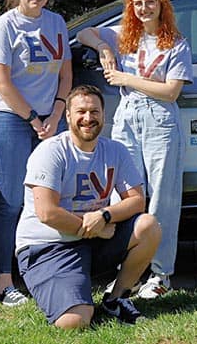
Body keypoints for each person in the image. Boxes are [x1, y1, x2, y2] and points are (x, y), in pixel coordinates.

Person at [77, 0, 192, 299]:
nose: (144, 9)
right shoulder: (122, 34)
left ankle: (160, 274)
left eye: (150, 2)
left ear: (161, 4)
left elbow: (171, 91)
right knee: (125, 195)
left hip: (160, 117)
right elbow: (85, 33)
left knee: (162, 198)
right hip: (127, 116)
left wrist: (127, 78)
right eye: (137, 3)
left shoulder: (176, 42)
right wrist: (102, 47)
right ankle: (125, 274)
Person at [15, 85, 162, 328]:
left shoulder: (115, 150)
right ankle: (64, 291)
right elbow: (47, 213)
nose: (88, 118)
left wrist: (105, 216)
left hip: (93, 238)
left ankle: (116, 299)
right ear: (68, 116)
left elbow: (137, 200)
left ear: (104, 115)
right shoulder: (51, 152)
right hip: (50, 246)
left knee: (148, 225)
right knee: (73, 322)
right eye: (81, 111)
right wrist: (93, 227)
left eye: (94, 111)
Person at [0, 0, 72, 306]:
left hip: (52, 119)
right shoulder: (5, 26)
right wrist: (35, 120)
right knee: (11, 203)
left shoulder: (57, 23)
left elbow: (65, 74)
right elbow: (1, 83)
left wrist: (57, 114)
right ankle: (6, 283)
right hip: (10, 120)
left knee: (52, 200)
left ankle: (52, 271)